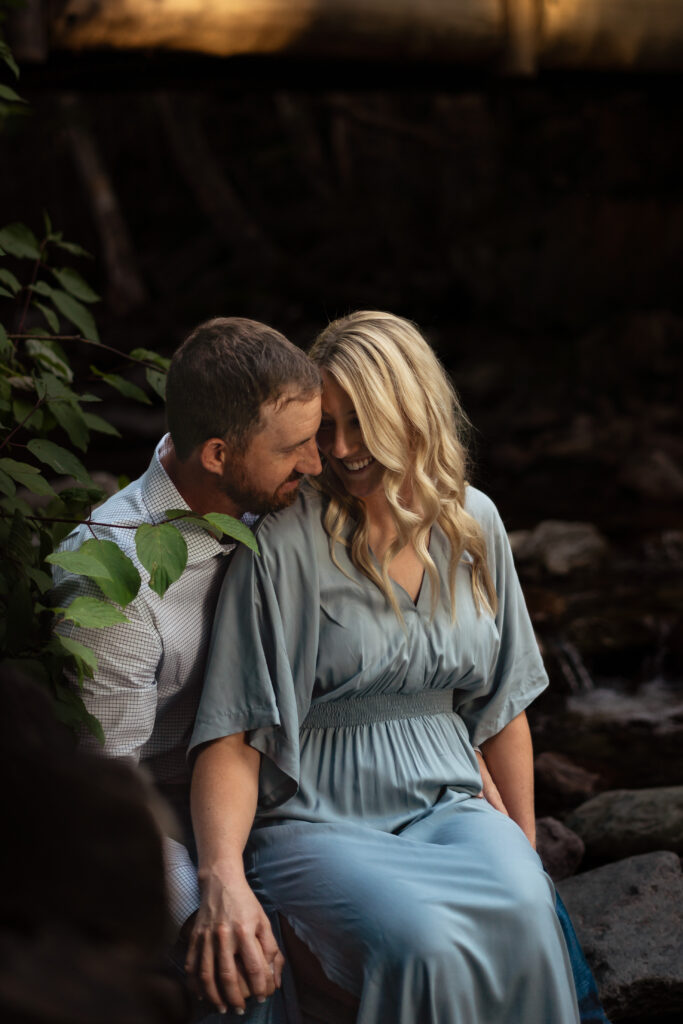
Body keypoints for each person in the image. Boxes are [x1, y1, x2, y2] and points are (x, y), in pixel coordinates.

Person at [186, 310, 584, 1023]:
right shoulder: (281, 540)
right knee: (421, 940)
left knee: (527, 909)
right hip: (317, 812)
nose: (339, 450)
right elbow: (234, 732)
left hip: (449, 801)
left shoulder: (475, 522)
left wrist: (524, 847)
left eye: (359, 422)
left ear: (412, 409)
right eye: (324, 428)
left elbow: (502, 709)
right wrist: (221, 874)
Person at [50, 316, 323, 1021]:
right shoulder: (112, 587)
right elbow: (107, 796)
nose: (316, 464)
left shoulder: (272, 509)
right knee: (243, 960)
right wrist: (202, 904)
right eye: (294, 448)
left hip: (285, 790)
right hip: (167, 819)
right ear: (216, 454)